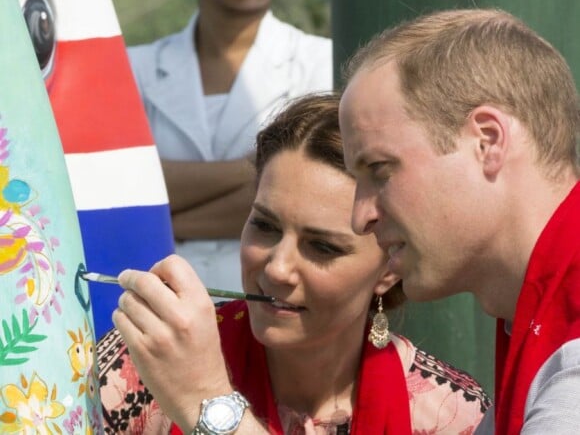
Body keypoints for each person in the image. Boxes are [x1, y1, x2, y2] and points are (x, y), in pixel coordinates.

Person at [99, 93, 490, 434]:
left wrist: (206, 402)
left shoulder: (452, 415)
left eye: (321, 247)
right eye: (265, 226)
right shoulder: (142, 364)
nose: (276, 269)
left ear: (390, 268)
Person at [338, 8, 580, 435]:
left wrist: (210, 403)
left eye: (379, 168)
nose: (361, 217)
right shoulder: (539, 305)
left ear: (487, 141)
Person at [126, 0, 332, 292]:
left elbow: (318, 202)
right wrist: (264, 169)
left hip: (272, 306)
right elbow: (119, 191)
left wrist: (165, 221)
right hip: (153, 308)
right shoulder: (130, 70)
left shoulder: (321, 66)